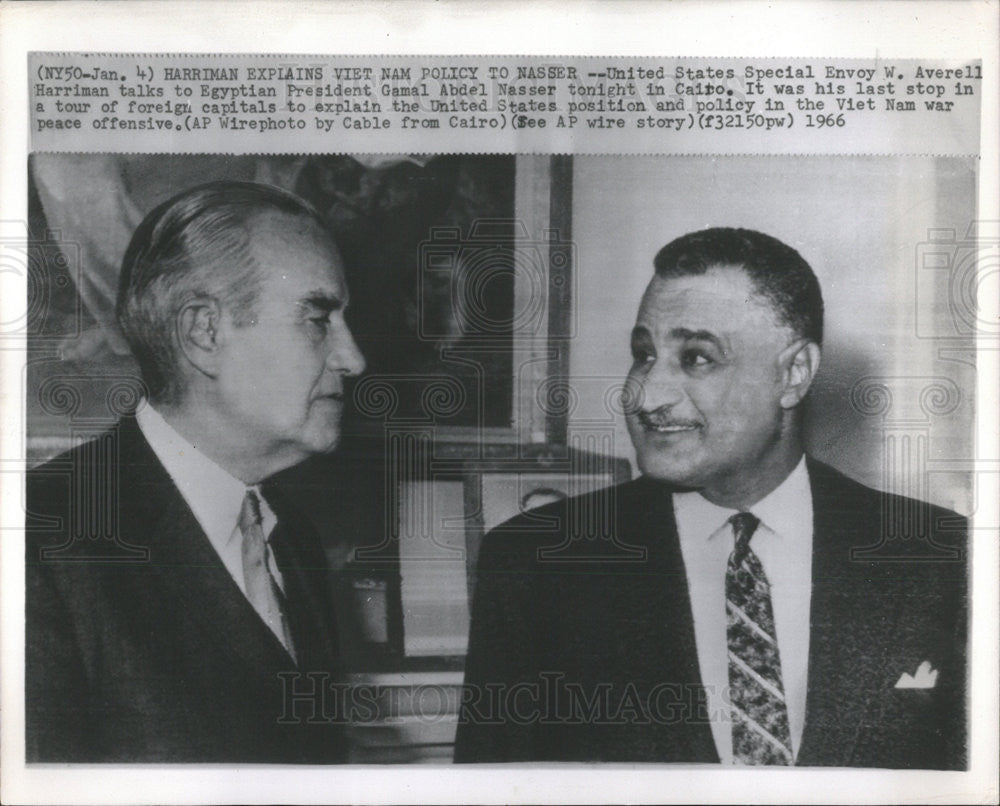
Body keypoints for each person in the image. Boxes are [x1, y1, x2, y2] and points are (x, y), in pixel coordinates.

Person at [455, 227, 966, 768]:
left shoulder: (938, 556)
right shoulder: (537, 564)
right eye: (643, 353)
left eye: (697, 357)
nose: (645, 395)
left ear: (794, 374)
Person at [26, 181, 366, 762]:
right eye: (318, 319)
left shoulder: (295, 541)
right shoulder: (34, 540)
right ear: (204, 333)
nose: (353, 358)